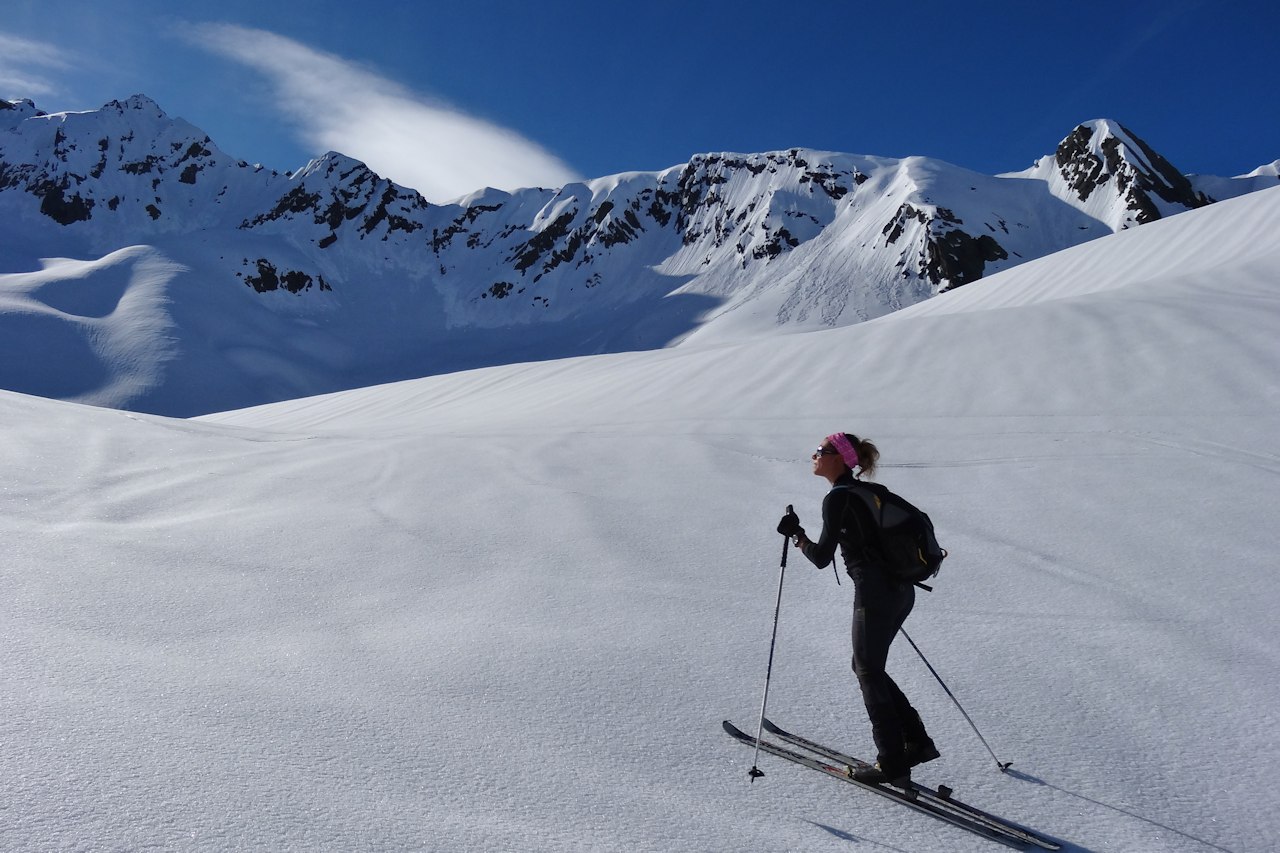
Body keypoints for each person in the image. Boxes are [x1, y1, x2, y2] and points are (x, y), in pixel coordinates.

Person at [776, 432, 939, 786]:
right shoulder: (870, 494)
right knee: (867, 667)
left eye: (822, 450)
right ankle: (916, 743)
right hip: (900, 592)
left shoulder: (838, 499)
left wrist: (796, 535)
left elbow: (821, 558)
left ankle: (893, 761)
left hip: (876, 592)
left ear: (840, 457)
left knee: (867, 670)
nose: (814, 454)